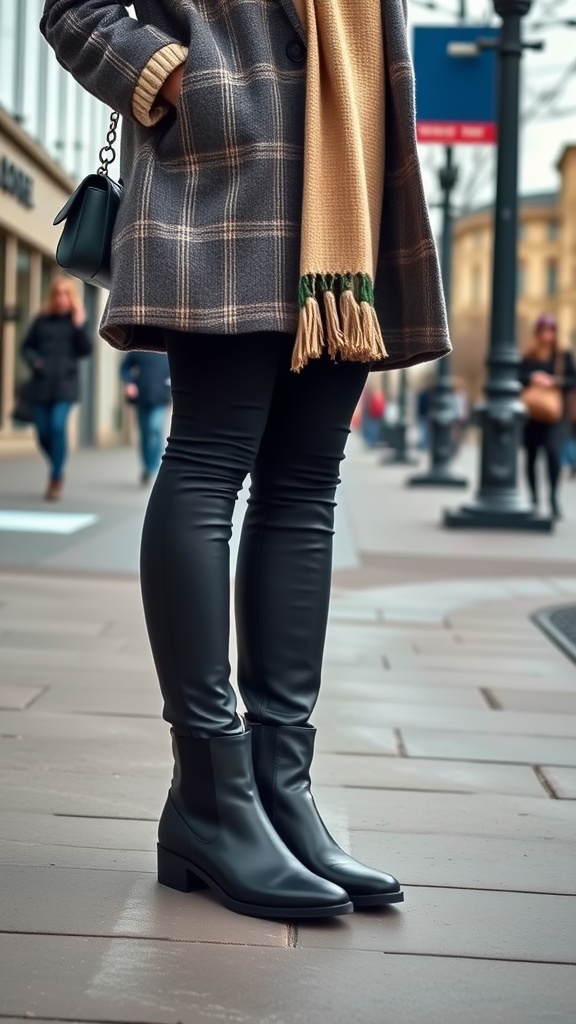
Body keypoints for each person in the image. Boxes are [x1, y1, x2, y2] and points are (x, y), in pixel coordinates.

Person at [41, 0, 450, 920]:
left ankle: (279, 791)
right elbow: (74, 9)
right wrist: (183, 85)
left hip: (349, 189)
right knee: (212, 457)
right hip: (229, 172)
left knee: (306, 485)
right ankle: (211, 795)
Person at [21, 276, 92, 501]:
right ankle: (58, 463)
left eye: (65, 293)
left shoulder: (77, 320)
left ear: (71, 296)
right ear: (53, 296)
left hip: (65, 384)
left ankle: (56, 476)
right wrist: (35, 361)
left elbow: (85, 350)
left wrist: (80, 326)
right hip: (41, 383)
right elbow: (26, 347)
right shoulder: (42, 320)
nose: (61, 298)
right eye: (57, 293)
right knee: (43, 433)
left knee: (57, 426)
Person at [519, 313, 576, 519]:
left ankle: (553, 497)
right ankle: (534, 499)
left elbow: (572, 380)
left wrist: (554, 381)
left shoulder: (563, 355)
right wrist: (533, 377)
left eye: (550, 330)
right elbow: (517, 376)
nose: (547, 335)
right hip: (532, 414)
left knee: (553, 454)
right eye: (543, 330)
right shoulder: (528, 355)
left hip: (555, 414)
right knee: (531, 457)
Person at [121, 351, 171, 484]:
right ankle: (147, 467)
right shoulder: (139, 346)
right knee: (145, 433)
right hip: (142, 397)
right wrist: (129, 383)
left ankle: (153, 468)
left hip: (161, 397)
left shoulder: (168, 346)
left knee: (155, 429)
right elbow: (125, 367)